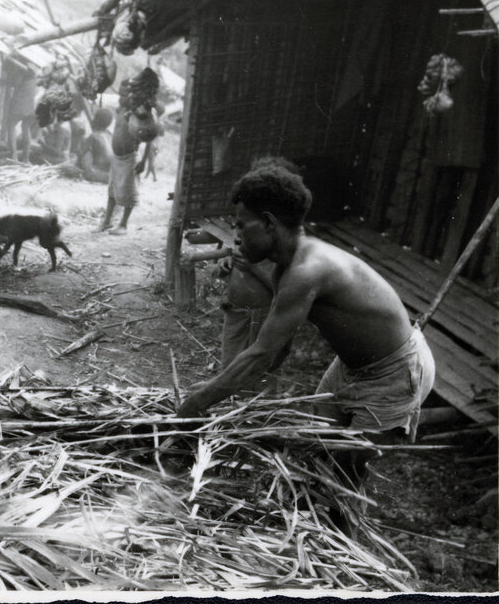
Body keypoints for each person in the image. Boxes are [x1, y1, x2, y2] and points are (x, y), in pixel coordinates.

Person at [175, 164, 435, 496]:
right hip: (350, 367)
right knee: (319, 455)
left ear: (269, 222)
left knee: (343, 483)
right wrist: (229, 395)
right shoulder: (285, 270)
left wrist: (197, 402)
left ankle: (342, 538)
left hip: (395, 373)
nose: (236, 236)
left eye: (241, 225)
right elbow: (276, 349)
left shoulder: (307, 270)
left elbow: (260, 355)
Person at [218, 157, 301, 391]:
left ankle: (253, 417)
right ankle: (229, 406)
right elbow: (237, 249)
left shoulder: (281, 240)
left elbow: (285, 290)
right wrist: (229, 264)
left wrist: (253, 268)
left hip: (262, 317)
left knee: (258, 374)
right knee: (230, 368)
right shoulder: (249, 223)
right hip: (236, 311)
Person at [96, 105, 149, 235]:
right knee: (112, 189)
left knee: (128, 190)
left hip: (130, 157)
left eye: (125, 93)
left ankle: (123, 224)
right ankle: (107, 221)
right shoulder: (122, 110)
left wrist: (144, 161)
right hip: (117, 157)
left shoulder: (141, 113)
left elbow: (150, 139)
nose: (123, 96)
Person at [76, 106, 114, 183]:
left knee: (87, 152)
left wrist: (79, 141)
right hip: (111, 169)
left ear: (95, 120)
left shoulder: (94, 136)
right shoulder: (110, 135)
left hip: (100, 172)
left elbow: (81, 154)